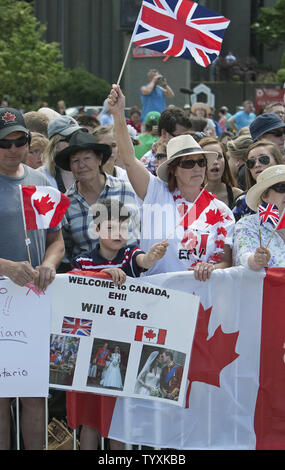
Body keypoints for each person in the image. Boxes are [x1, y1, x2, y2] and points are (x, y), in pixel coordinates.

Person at [108, 84, 235, 282]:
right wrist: (118, 114)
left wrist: (210, 267)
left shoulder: (222, 211)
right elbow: (129, 159)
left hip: (199, 300)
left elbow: (227, 262)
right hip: (157, 295)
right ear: (173, 170)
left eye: (201, 162)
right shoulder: (156, 191)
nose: (197, 168)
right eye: (189, 163)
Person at [0, 107, 65, 450]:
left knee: (34, 396)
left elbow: (56, 240)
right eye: (4, 143)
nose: (13, 149)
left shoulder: (43, 182)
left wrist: (50, 264)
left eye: (20, 141)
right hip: (1, 302)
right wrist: (6, 267)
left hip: (34, 303)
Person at [55, 131, 141, 264]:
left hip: (129, 277)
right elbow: (65, 250)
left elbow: (139, 234)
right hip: (89, 280)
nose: (81, 165)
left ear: (99, 159)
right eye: (75, 161)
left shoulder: (125, 189)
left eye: (87, 158)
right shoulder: (65, 203)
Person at [72, 198, 168, 285]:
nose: (117, 233)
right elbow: (75, 288)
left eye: (123, 228)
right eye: (110, 228)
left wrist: (151, 257)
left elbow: (144, 261)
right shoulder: (82, 262)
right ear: (97, 230)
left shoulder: (130, 255)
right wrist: (102, 276)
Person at [233, 165, 285, 269]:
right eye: (281, 188)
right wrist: (256, 260)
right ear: (264, 196)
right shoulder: (247, 224)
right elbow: (243, 256)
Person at [232, 140, 283, 222]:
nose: (257, 165)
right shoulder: (243, 202)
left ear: (277, 161)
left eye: (263, 159)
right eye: (251, 162)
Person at [140, 106, 192, 174]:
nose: (185, 142)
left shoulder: (191, 155)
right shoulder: (147, 163)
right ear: (164, 133)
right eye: (180, 137)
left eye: (188, 137)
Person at [39, 115, 85, 191]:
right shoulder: (41, 176)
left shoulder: (88, 169)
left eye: (77, 136)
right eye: (70, 138)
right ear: (54, 143)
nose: (75, 142)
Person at [199, 137, 243, 209]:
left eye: (219, 156)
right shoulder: (190, 198)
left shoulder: (238, 196)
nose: (215, 162)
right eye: (208, 157)